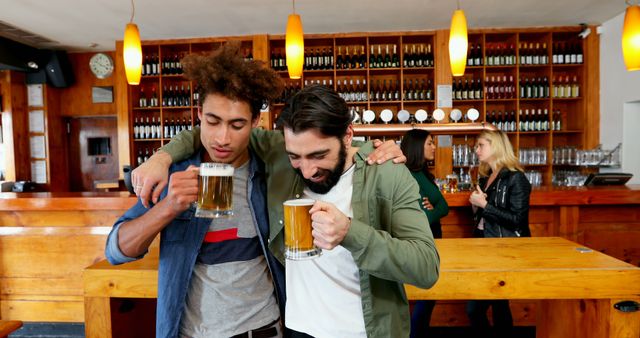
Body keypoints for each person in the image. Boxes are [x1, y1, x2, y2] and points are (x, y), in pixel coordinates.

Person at [136, 85, 440, 338]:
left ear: (348, 136)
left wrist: (350, 232)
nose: (306, 170)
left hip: (368, 331)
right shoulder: (278, 152)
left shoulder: (386, 173)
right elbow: (214, 130)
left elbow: (425, 268)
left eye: (319, 155)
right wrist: (162, 157)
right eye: (296, 156)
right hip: (296, 330)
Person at [105, 42, 287, 338]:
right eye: (213, 121)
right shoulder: (175, 173)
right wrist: (169, 207)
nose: (222, 138)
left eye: (237, 125)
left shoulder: (271, 172)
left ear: (255, 122)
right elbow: (116, 251)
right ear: (199, 113)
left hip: (265, 330)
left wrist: (379, 152)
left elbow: (332, 151)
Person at [466, 130, 532, 338]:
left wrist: (484, 204)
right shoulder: (487, 176)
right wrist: (477, 207)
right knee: (498, 303)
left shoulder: (516, 178)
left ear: (495, 146)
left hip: (503, 247)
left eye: (480, 145)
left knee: (480, 307)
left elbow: (517, 220)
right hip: (484, 244)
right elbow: (486, 214)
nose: (476, 150)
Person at [400, 129, 449, 338]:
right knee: (428, 295)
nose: (434, 147)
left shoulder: (421, 173)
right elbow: (434, 212)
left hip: (431, 237)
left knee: (429, 295)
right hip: (424, 239)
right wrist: (431, 212)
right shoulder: (410, 175)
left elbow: (442, 206)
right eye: (430, 143)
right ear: (418, 147)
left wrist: (433, 209)